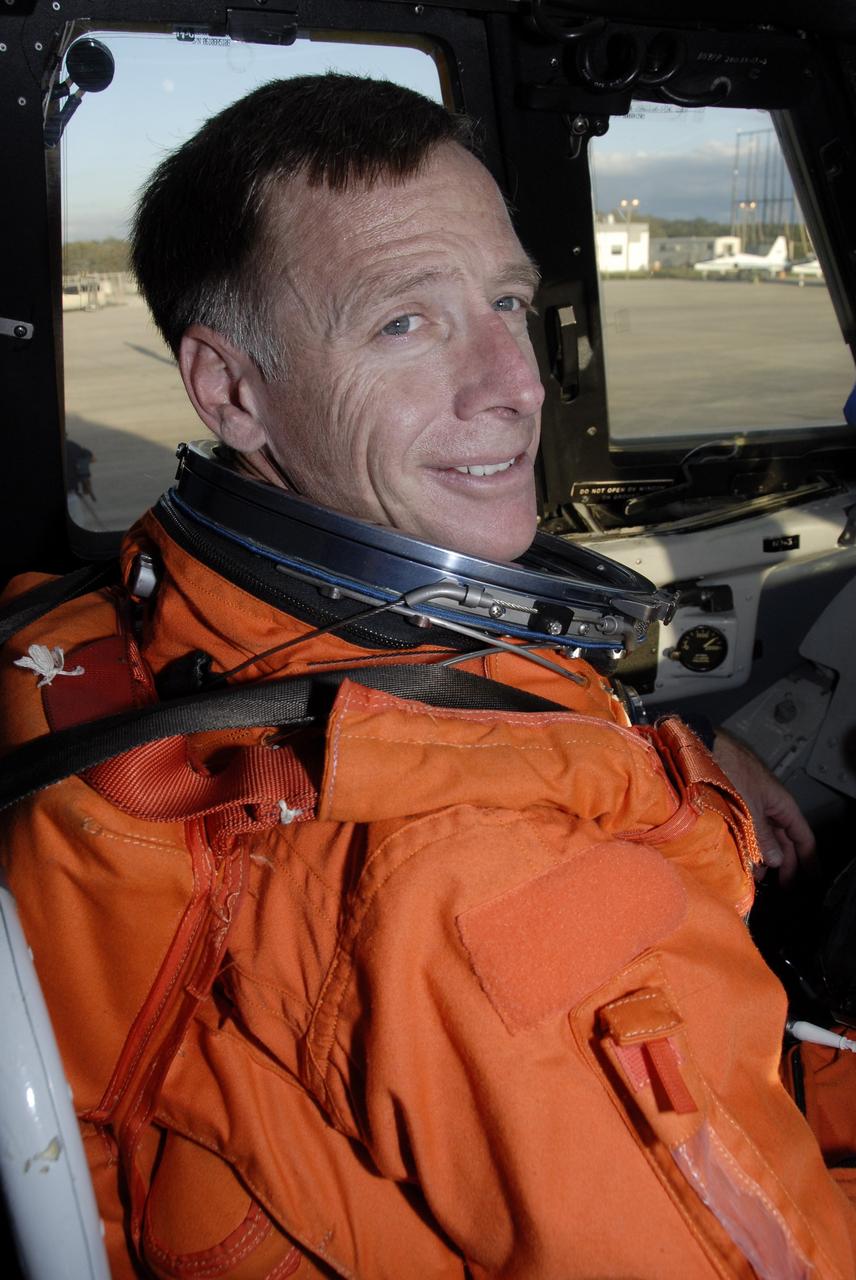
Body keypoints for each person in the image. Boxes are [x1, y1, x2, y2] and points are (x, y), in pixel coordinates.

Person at [0, 75, 851, 1279]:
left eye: (507, 299)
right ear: (230, 389)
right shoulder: (476, 874)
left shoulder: (116, 608)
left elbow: (447, 707)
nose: (514, 381)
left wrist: (677, 756)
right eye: (404, 322)